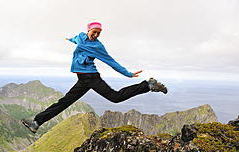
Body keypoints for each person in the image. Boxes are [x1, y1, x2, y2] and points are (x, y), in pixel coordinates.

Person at [22, 20, 167, 133]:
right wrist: (69, 39)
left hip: (92, 78)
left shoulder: (97, 46)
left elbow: (111, 62)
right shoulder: (80, 36)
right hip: (83, 80)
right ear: (88, 30)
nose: (96, 35)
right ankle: (36, 123)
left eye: (99, 33)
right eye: (95, 32)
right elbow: (76, 39)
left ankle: (148, 85)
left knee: (115, 97)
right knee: (64, 102)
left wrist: (128, 74)